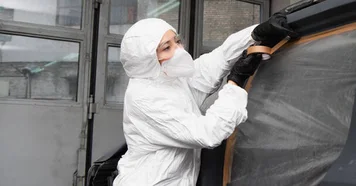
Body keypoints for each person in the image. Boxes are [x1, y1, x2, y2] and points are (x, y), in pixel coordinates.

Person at [112, 13, 295, 186]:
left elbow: (219, 59)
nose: (179, 51)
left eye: (177, 41)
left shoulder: (170, 77)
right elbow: (207, 133)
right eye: (167, 48)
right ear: (147, 61)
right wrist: (235, 81)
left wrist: (254, 34)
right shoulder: (144, 98)